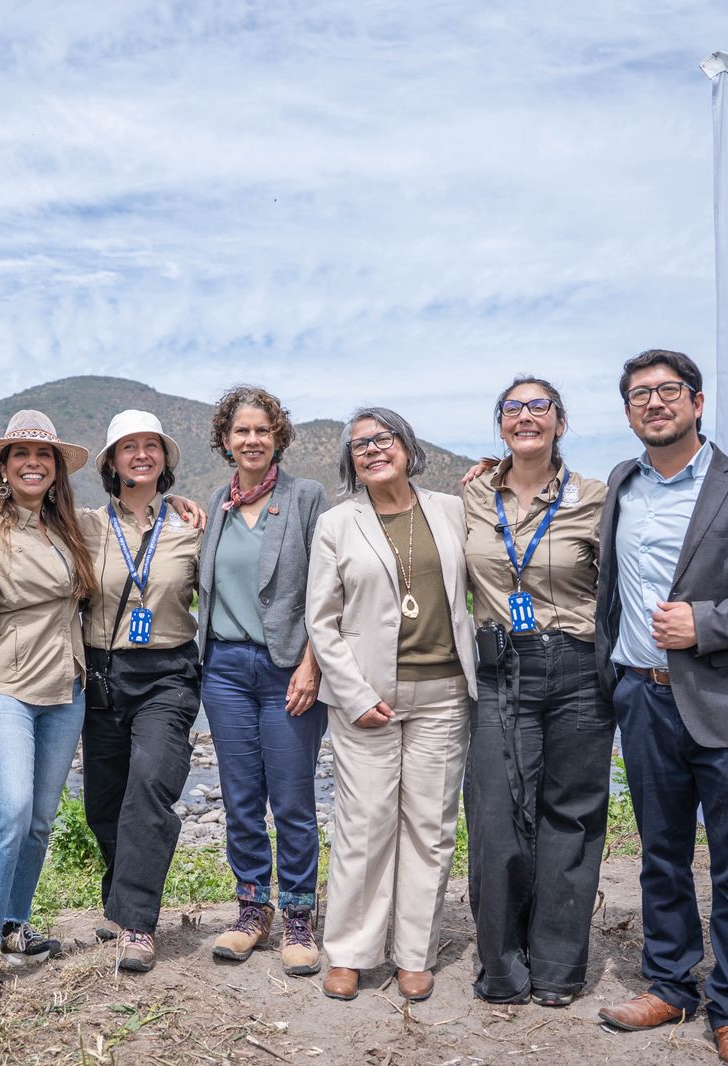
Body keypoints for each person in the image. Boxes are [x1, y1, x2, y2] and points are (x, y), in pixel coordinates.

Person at [593, 350, 728, 1066]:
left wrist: (704, 624)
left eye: (669, 390)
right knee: (662, 855)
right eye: (640, 395)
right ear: (628, 412)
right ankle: (671, 984)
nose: (655, 403)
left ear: (698, 401)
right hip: (642, 697)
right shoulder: (620, 482)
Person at [306, 406, 477, 1004]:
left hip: (445, 694)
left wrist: (494, 469)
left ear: (407, 446)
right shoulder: (336, 523)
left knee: (430, 828)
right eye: (359, 445)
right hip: (367, 697)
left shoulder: (451, 510)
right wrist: (354, 695)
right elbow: (322, 620)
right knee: (364, 825)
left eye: (383, 439)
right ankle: (350, 953)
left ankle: (414, 954)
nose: (373, 450)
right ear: (350, 462)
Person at [460, 376, 611, 1007]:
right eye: (513, 408)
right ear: (501, 424)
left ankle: (556, 967)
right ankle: (501, 966)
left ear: (559, 422)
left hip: (576, 668)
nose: (526, 416)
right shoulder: (470, 495)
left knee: (569, 816)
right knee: (495, 816)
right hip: (500, 670)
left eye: (539, 406)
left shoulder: (596, 497)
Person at [0, 410, 97, 1008]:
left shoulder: (66, 529)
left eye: (44, 455)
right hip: (6, 689)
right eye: (21, 454)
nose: (33, 463)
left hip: (66, 690)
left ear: (56, 468)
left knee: (39, 818)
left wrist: (185, 507)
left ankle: (13, 922)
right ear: (4, 468)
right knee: (8, 809)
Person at [196, 386, 330, 975]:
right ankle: (253, 910)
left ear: (277, 437)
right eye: (241, 431)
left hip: (289, 669)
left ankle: (299, 916)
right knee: (241, 797)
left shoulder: (306, 497)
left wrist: (313, 663)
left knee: (293, 798)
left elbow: (328, 587)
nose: (252, 440)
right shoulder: (216, 504)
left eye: (262, 430)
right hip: (224, 670)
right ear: (225, 441)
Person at [78, 410, 203, 972]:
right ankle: (118, 897)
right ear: (112, 461)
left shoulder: (190, 525)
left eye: (151, 445)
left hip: (168, 674)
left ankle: (136, 923)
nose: (142, 454)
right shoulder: (85, 525)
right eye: (129, 446)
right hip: (102, 674)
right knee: (104, 802)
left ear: (164, 458)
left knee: (150, 784)